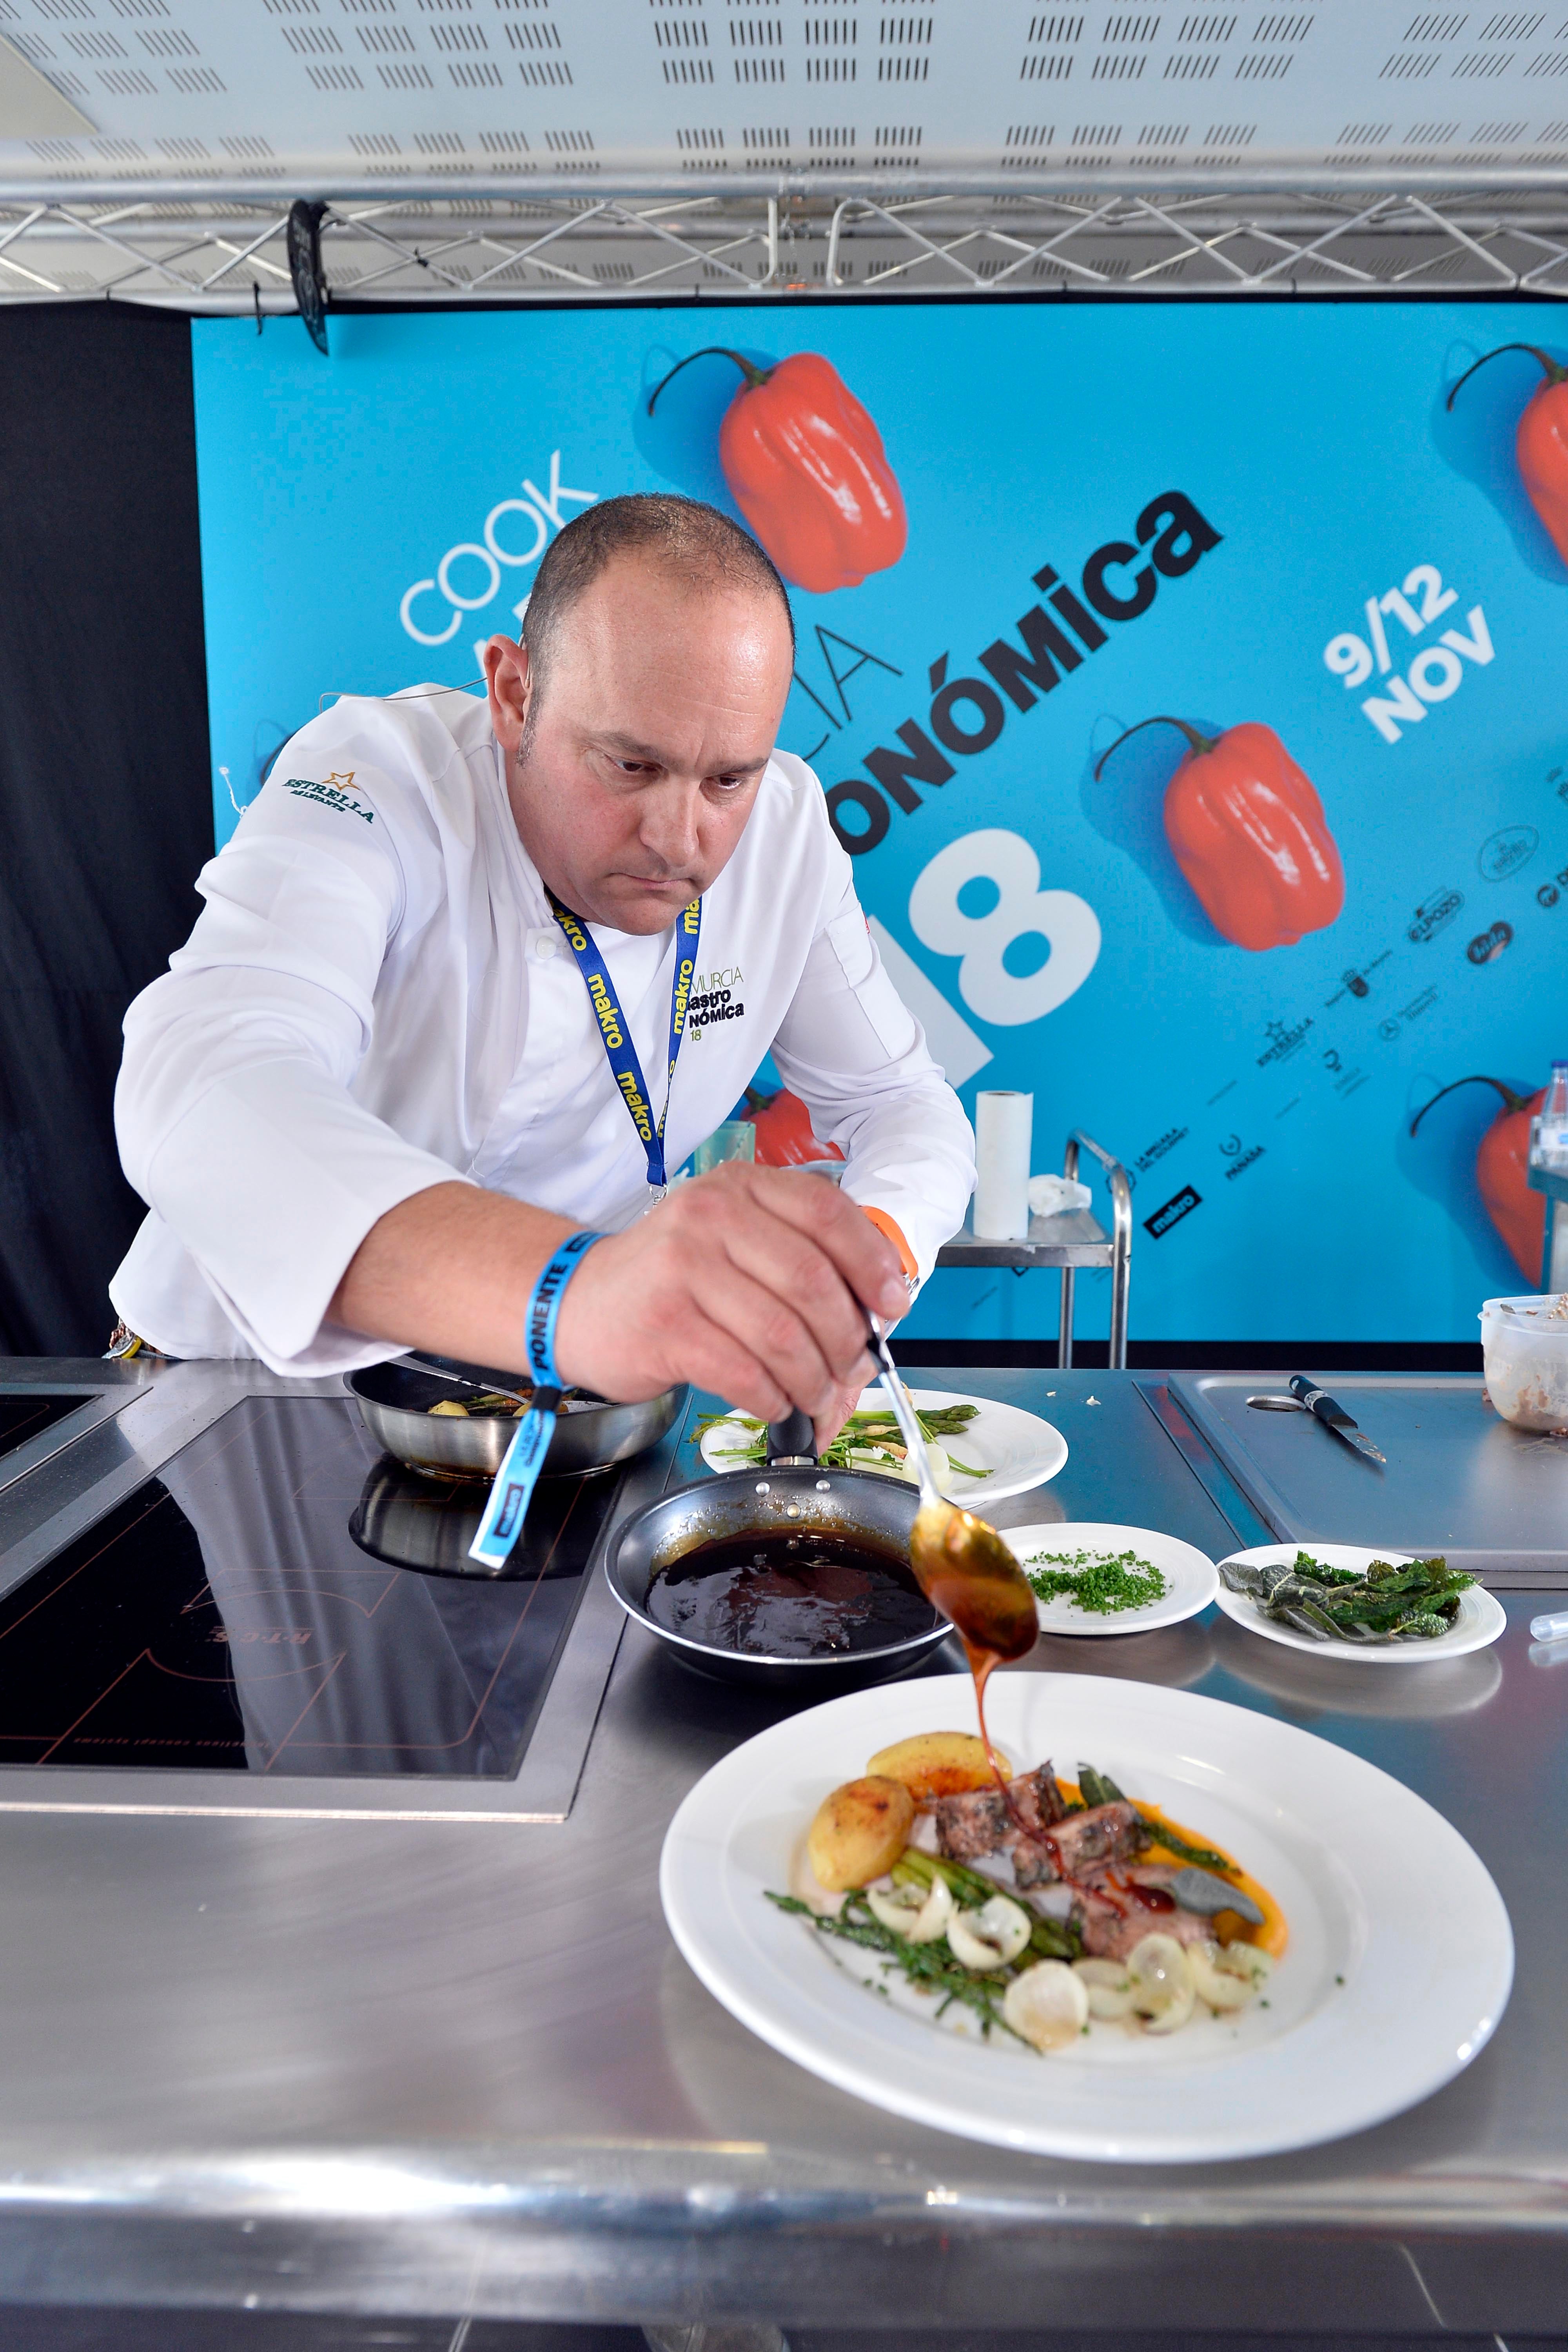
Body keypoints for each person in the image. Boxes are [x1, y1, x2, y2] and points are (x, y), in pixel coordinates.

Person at [110, 494, 975, 1447]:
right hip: (243, 1385)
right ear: (514, 693)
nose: (678, 838)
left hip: (545, 1401)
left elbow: (900, 1101)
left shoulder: (785, 833)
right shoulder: (376, 778)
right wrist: (578, 1291)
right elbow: (202, 1074)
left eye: (727, 778)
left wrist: (866, 1265)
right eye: (630, 766)